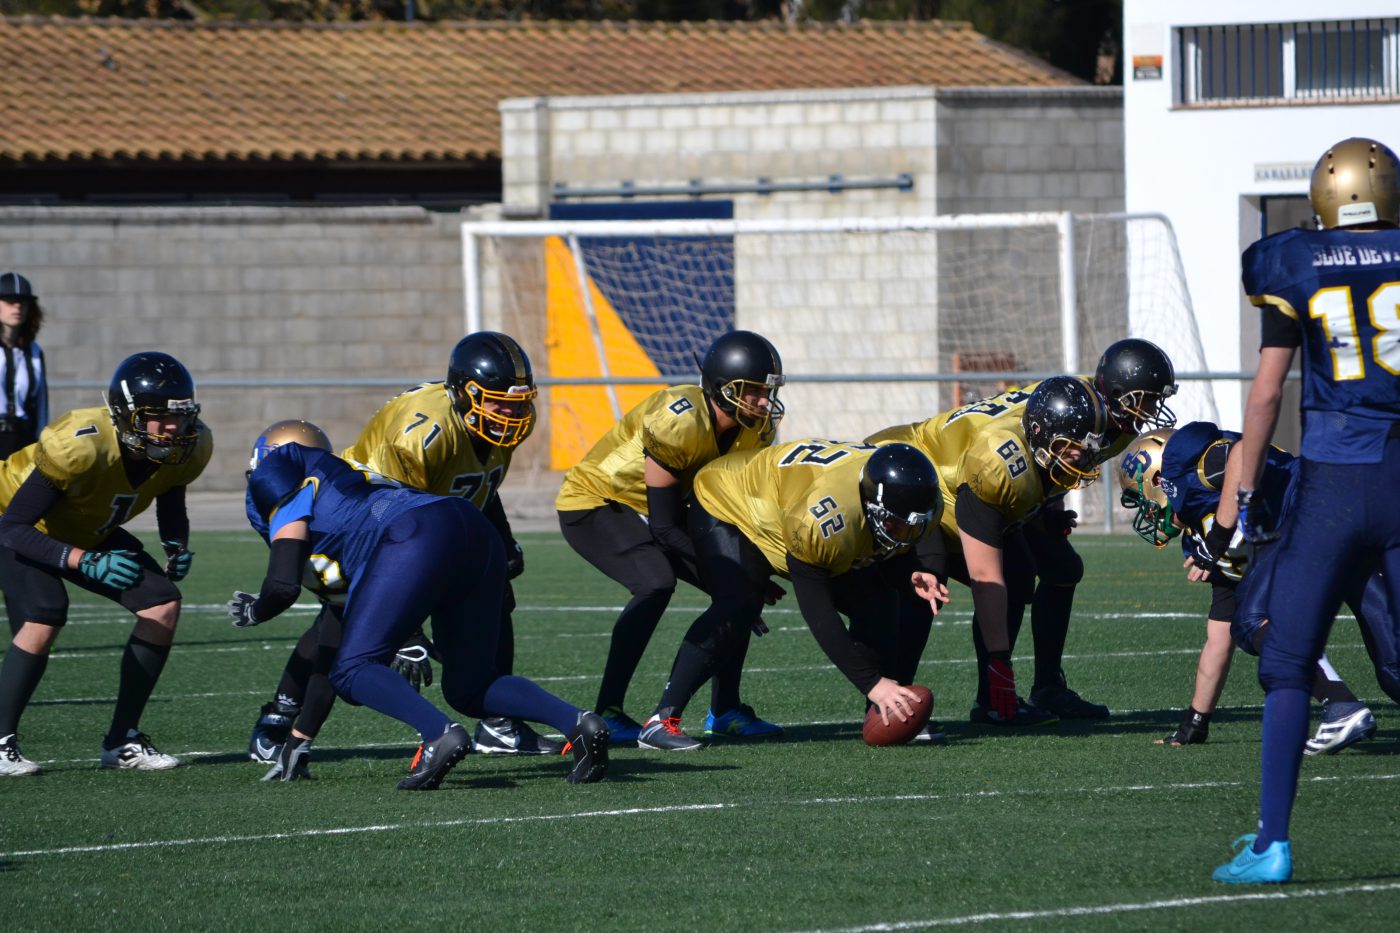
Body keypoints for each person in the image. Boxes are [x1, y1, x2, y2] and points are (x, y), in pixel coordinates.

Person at [1212, 137, 1400, 885]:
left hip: (1330, 484)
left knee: (1288, 661)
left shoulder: (1294, 260)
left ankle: (1273, 843)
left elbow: (1266, 394)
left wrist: (1239, 498)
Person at [232, 436, 609, 789]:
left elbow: (283, 586)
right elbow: (332, 632)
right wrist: (300, 739)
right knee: (471, 687)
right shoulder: (346, 499)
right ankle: (578, 723)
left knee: (354, 670)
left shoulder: (280, 470)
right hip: (470, 527)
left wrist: (256, 609)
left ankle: (438, 734)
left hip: (417, 535)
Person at [246, 332, 552, 761]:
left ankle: (497, 722)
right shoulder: (419, 435)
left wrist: (501, 541)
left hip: (431, 517)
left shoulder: (487, 421)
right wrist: (408, 632)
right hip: (361, 519)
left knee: (496, 595)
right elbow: (399, 523)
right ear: (464, 393)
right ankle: (281, 721)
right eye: (498, 401)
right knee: (338, 619)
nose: (511, 413)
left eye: (518, 402)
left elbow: (479, 478)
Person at [632, 440, 945, 750]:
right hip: (733, 501)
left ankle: (884, 711)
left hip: (788, 502)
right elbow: (817, 610)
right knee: (740, 601)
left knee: (878, 603)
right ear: (871, 505)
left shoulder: (905, 499)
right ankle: (661, 720)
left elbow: (906, 536)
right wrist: (873, 683)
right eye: (894, 523)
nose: (904, 532)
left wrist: (912, 571)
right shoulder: (824, 519)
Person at [557, 330, 786, 744]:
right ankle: (609, 710)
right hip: (599, 501)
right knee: (654, 581)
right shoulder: (679, 418)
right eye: (752, 391)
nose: (762, 402)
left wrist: (746, 577)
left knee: (739, 590)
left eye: (766, 392)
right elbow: (663, 528)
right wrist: (722, 568)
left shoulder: (756, 430)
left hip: (662, 510)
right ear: (721, 387)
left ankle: (725, 709)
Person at [1117, 424, 1395, 752]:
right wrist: (1195, 722)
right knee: (1393, 668)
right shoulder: (1198, 535)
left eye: (1142, 497)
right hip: (1335, 522)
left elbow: (1244, 451)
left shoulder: (1192, 467)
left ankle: (1340, 705)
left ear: (1160, 480)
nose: (1147, 511)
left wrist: (1219, 537)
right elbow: (1219, 638)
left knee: (1252, 619)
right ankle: (1340, 705)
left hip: (1314, 506)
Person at [0, 352, 210, 776]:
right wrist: (84, 561)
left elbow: (171, 495)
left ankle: (122, 740)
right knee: (44, 614)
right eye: (159, 417)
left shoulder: (189, 446)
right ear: (128, 414)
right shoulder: (78, 442)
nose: (174, 428)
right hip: (18, 522)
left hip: (85, 523)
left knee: (162, 604)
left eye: (181, 417)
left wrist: (176, 544)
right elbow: (14, 527)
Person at [869, 375, 1108, 728]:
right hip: (903, 483)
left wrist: (1046, 514)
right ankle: (890, 701)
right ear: (1041, 431)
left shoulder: (1039, 450)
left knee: (1019, 574)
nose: (1082, 454)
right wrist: (1001, 659)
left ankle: (990, 702)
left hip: (946, 492)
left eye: (1087, 446)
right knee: (924, 583)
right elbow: (984, 576)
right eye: (1072, 444)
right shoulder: (999, 463)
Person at [0, 272, 48, 459]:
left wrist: (42, 440)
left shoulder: (33, 351)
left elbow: (41, 402)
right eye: (10, 301)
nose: (17, 306)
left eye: (23, 302)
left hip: (24, 438)